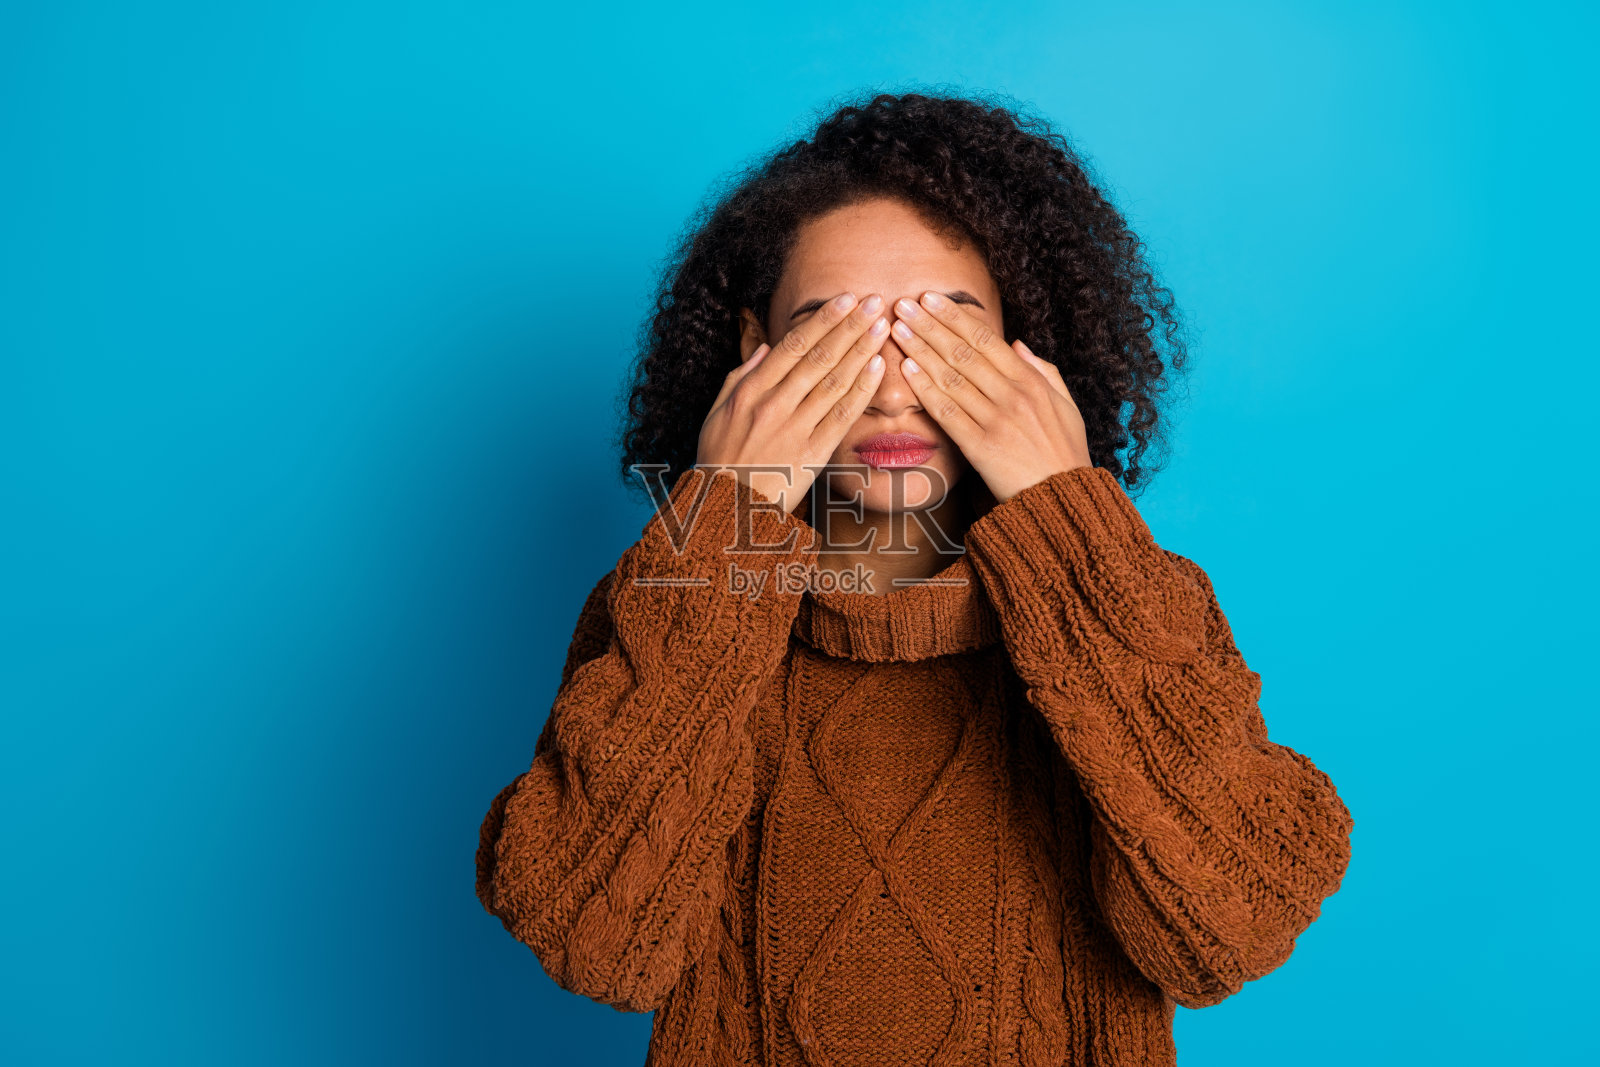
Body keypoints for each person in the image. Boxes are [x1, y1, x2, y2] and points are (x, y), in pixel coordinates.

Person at [475, 91, 1353, 1067]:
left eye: (942, 335)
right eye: (834, 336)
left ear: (1028, 353)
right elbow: (593, 942)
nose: (893, 387)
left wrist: (1068, 526)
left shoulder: (1127, 596)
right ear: (751, 351)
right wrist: (725, 535)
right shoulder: (673, 598)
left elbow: (1231, 929)